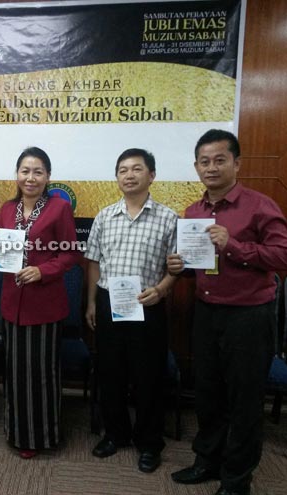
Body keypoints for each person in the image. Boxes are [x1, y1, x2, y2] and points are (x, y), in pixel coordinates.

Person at [168, 130, 287, 495]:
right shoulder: (194, 212)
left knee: (244, 398)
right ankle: (207, 461)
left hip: (249, 316)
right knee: (207, 393)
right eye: (204, 161)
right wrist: (178, 265)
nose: (211, 167)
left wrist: (235, 245)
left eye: (219, 160)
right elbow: (195, 264)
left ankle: (237, 478)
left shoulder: (259, 205)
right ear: (196, 167)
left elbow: (286, 257)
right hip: (207, 312)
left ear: (236, 163)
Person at [84, 148, 178, 473]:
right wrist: (92, 302)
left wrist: (163, 289)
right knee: (110, 374)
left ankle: (150, 443)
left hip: (147, 305)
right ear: (117, 177)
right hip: (110, 304)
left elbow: (177, 267)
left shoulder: (168, 218)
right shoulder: (104, 216)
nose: (129, 175)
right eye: (123, 170)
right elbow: (94, 262)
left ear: (151, 175)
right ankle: (116, 434)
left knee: (148, 377)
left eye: (137, 169)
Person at [0, 146, 81, 459]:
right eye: (25, 171)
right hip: (11, 304)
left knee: (42, 374)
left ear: (48, 176)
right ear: (17, 174)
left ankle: (44, 435)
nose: (31, 177)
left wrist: (42, 271)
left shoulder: (58, 208)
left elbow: (70, 254)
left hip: (45, 304)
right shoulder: (6, 208)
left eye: (38, 171)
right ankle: (17, 433)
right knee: (15, 372)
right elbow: (3, 256)